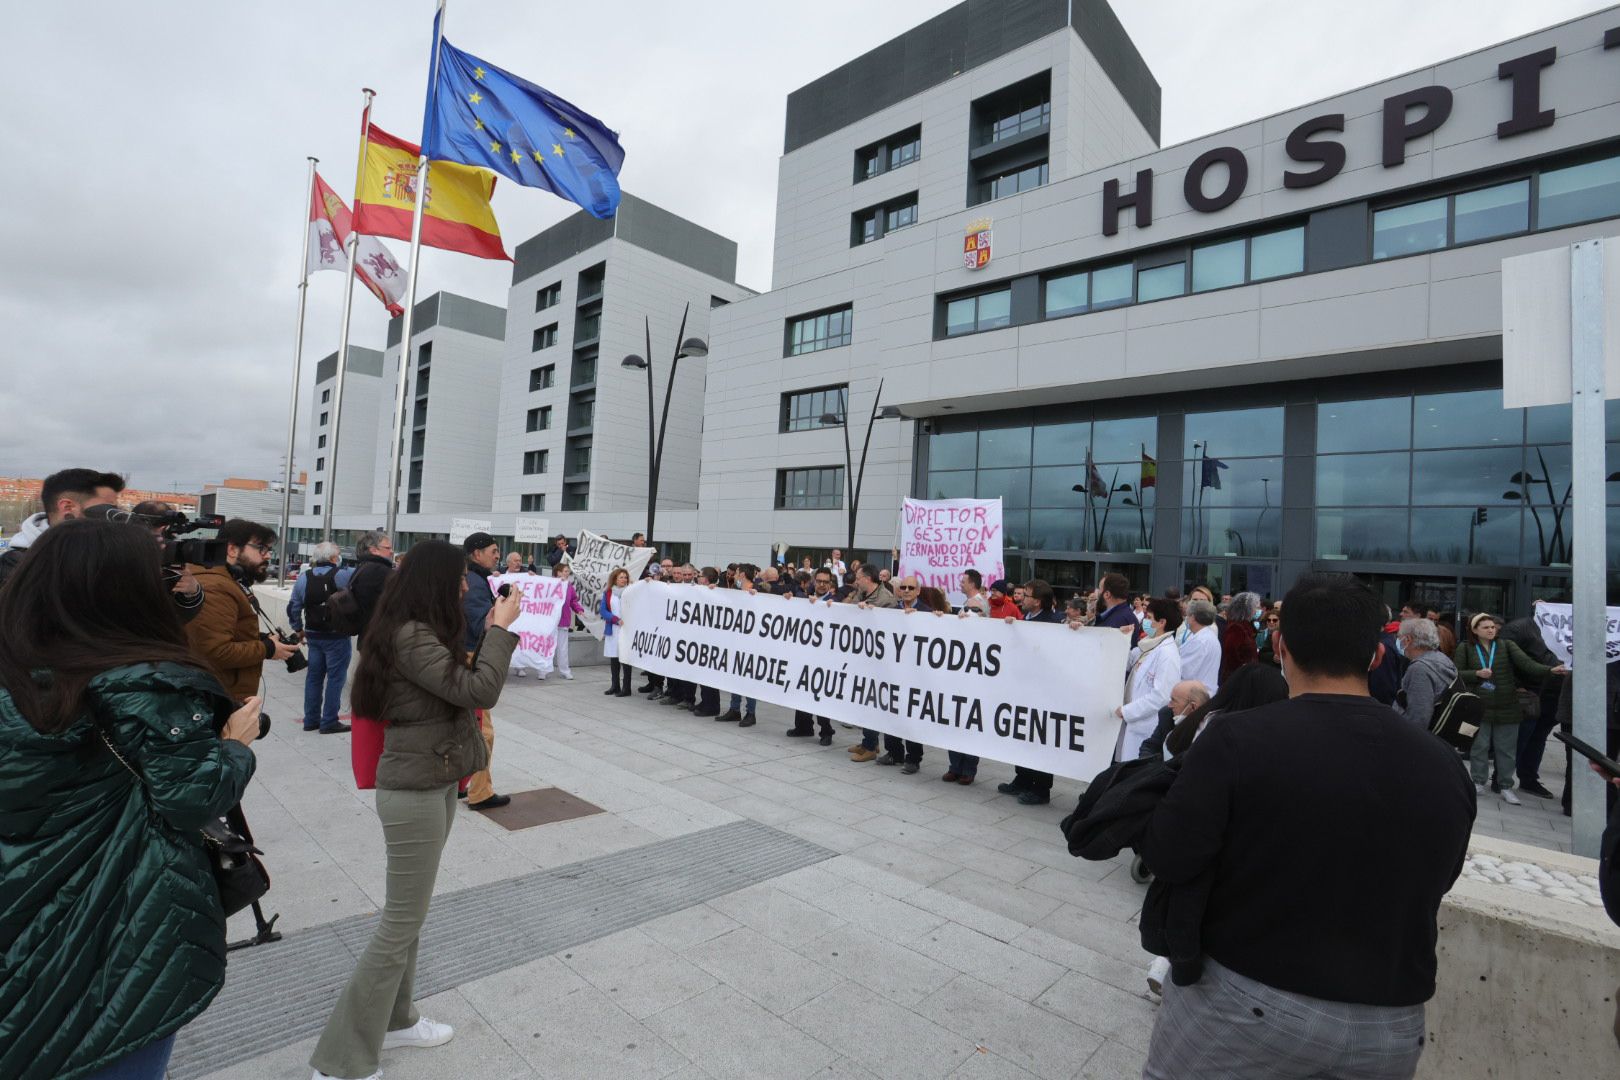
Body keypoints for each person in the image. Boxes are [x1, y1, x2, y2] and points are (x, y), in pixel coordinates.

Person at [1138, 573, 1475, 1079]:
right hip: (1391, 1025)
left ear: (1279, 645)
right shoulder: (1445, 764)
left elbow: (1169, 855)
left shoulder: (1235, 739)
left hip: (1247, 1004)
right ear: (1378, 656)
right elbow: (1441, 876)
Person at [0, 518, 260, 1080]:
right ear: (128, 590)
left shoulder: (21, 662)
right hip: (115, 920)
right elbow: (193, 798)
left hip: (25, 899)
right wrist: (235, 746)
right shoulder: (141, 681)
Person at [309, 541, 521, 1080]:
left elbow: (452, 689)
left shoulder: (416, 630)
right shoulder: (411, 635)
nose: (465, 587)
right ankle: (339, 1063)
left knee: (411, 916)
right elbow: (481, 689)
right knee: (399, 923)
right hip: (414, 791)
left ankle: (398, 1019)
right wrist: (500, 630)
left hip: (434, 777)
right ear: (436, 581)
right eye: (458, 580)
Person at [183, 518, 299, 703]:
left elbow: (218, 634)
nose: (268, 556)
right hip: (218, 699)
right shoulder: (216, 587)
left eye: (269, 550)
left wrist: (259, 638)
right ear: (231, 550)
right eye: (261, 548)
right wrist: (266, 649)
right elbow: (214, 651)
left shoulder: (226, 580)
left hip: (221, 693)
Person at [1455, 612, 1565, 807]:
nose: (1491, 630)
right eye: (1485, 627)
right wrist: (1476, 673)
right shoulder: (1465, 648)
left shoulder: (1506, 645)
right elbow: (1457, 672)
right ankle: (1478, 781)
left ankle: (1506, 786)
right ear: (1474, 630)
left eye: (1492, 627)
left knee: (1506, 749)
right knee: (1479, 747)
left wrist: (1550, 669)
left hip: (1507, 705)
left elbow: (1526, 663)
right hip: (1480, 705)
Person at [0, 467, 124, 587]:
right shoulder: (16, 567)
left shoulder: (111, 554)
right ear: (67, 508)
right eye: (108, 509)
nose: (114, 518)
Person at [998, 579, 1064, 805]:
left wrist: (1076, 628)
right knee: (1022, 736)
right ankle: (1023, 779)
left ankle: (1041, 788)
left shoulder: (1055, 621)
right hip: (1023, 689)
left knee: (1041, 739)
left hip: (1045, 692)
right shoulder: (1024, 619)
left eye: (1025, 595)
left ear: (1037, 601)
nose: (1020, 598)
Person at [459, 534, 510, 811]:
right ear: (476, 553)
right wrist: (504, 612)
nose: (496, 556)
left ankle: (460, 783)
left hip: (461, 654)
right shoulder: (476, 584)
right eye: (493, 551)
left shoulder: (471, 578)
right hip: (470, 655)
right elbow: (483, 626)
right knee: (483, 730)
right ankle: (480, 792)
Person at [288, 540, 356, 734]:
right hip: (336, 636)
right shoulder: (342, 575)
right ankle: (329, 722)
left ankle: (310, 720)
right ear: (334, 558)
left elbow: (294, 605)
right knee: (335, 679)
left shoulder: (304, 577)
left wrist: (298, 628)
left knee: (314, 678)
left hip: (313, 635)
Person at [1115, 597, 1183, 762]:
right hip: (1131, 724)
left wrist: (1127, 711)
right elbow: (1123, 661)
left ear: (1161, 622)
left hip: (1144, 726)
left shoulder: (1167, 654)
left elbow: (1161, 696)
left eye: (1149, 618)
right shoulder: (1147, 646)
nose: (1144, 621)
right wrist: (1120, 637)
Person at [845, 565, 898, 761]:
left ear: (868, 578)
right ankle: (869, 740)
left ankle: (870, 746)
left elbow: (889, 628)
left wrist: (871, 614)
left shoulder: (886, 599)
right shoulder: (860, 592)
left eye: (859, 578)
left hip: (877, 659)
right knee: (862, 700)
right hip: (862, 655)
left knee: (871, 700)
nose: (856, 581)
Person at [1392, 617, 1457, 732]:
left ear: (1407, 639)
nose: (1397, 640)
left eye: (1398, 637)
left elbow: (1419, 716)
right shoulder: (1441, 659)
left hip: (1420, 740)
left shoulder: (1420, 668)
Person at [718, 566, 761, 726]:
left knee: (748, 677)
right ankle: (734, 709)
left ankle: (751, 713)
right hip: (735, 639)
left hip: (750, 642)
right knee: (735, 675)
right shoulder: (736, 590)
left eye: (737, 573)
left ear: (742, 574)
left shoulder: (756, 591)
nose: (734, 575)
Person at [349, 531, 396, 646]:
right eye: (387, 548)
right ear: (373, 550)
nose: (392, 551)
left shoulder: (361, 568)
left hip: (366, 634)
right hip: (381, 638)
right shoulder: (381, 571)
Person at [601, 567, 634, 697]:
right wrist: (615, 619)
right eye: (621, 577)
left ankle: (627, 688)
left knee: (626, 659)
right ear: (615, 579)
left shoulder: (631, 592)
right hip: (613, 629)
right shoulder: (608, 593)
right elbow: (603, 611)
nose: (624, 580)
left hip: (627, 629)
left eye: (625, 577)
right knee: (614, 659)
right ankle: (615, 685)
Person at [1177, 598, 1221, 693]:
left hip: (1195, 694)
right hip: (1201, 691)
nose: (1186, 619)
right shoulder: (1206, 636)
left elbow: (1184, 670)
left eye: (1187, 616)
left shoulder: (1200, 641)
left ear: (1193, 617)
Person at [551, 560, 585, 681]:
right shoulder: (549, 584)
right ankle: (543, 670)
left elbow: (573, 601)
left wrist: (579, 610)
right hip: (549, 622)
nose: (567, 574)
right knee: (547, 647)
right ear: (558, 572)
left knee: (563, 648)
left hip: (563, 621)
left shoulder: (569, 586)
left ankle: (565, 671)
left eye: (568, 572)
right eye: (565, 571)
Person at [1218, 590, 1260, 681]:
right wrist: (1243, 667)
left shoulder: (1247, 625)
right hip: (1238, 677)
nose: (1257, 611)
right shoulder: (1236, 627)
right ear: (1247, 609)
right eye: (1255, 608)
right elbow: (1230, 651)